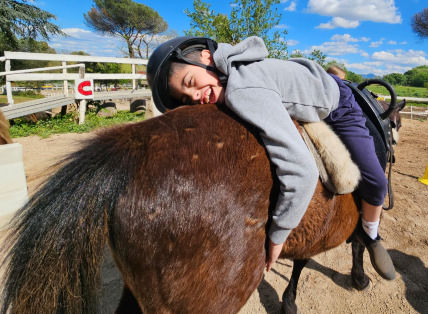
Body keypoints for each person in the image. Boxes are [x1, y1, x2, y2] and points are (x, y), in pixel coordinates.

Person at [146, 36, 396, 280]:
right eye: (186, 99)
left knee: (376, 180)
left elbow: (303, 172)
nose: (195, 96)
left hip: (339, 104)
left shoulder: (241, 90)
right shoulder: (235, 66)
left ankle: (370, 233)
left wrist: (278, 236)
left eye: (190, 81)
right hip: (308, 85)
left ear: (207, 57)